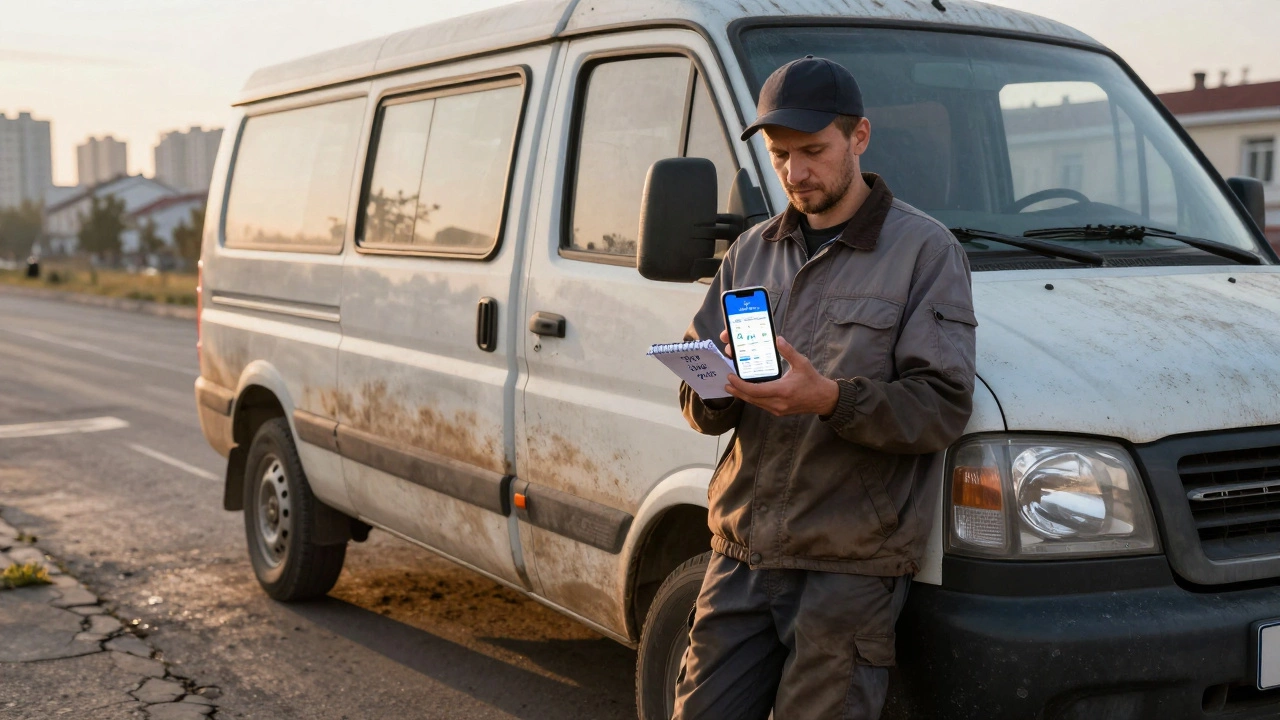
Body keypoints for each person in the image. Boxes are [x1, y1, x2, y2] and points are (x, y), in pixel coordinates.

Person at [673, 55, 978, 720]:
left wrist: (829, 399)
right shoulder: (751, 250)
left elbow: (942, 407)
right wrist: (717, 385)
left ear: (860, 138)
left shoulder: (924, 252)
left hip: (849, 568)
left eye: (813, 151)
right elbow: (700, 407)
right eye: (781, 156)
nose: (794, 173)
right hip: (741, 550)